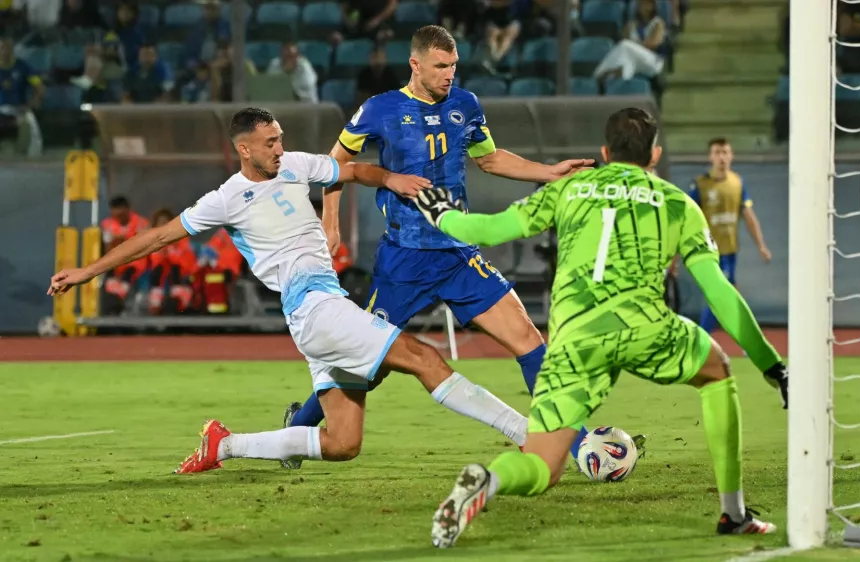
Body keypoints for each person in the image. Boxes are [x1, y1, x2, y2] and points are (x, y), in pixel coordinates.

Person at [48, 107, 531, 473]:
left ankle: (224, 445)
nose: (280, 149)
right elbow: (156, 238)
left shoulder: (297, 165)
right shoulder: (226, 199)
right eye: (269, 143)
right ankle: (529, 435)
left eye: (280, 139)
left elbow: (353, 171)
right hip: (314, 309)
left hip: (322, 311)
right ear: (244, 149)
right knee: (427, 361)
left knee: (343, 443)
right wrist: (89, 271)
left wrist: (391, 179)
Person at [410, 108, 789, 548]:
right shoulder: (676, 202)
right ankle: (733, 512)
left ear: (605, 153)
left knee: (542, 466)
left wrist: (444, 217)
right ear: (655, 154)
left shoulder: (568, 188)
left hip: (573, 340)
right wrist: (771, 365)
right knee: (717, 371)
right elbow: (719, 292)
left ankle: (488, 481)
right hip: (644, 326)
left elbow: (494, 230)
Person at [282, 25, 612, 471]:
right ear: (415, 64)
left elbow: (490, 158)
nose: (449, 74)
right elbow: (334, 165)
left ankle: (577, 446)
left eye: (454, 65)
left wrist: (549, 172)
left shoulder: (465, 104)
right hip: (404, 260)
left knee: (529, 340)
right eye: (440, 66)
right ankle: (298, 427)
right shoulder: (381, 109)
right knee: (365, 367)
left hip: (458, 254)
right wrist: (331, 221)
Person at [680, 137, 770, 335]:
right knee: (719, 296)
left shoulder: (737, 183)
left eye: (725, 152)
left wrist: (761, 245)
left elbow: (749, 216)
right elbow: (685, 219)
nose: (721, 157)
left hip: (730, 252)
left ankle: (744, 338)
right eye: (717, 153)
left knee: (731, 296)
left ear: (731, 156)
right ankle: (702, 339)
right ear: (710, 157)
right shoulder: (700, 186)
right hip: (708, 252)